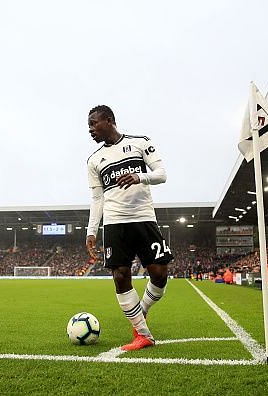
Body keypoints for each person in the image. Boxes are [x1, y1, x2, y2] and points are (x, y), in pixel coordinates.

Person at [85, 105, 173, 351]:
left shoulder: (140, 143)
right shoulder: (94, 160)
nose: (90, 130)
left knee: (159, 273)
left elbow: (162, 174)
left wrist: (139, 177)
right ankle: (143, 334)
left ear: (109, 121)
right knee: (120, 276)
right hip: (114, 223)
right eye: (89, 126)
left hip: (144, 218)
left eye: (94, 124)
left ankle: (141, 311)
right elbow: (97, 198)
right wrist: (91, 230)